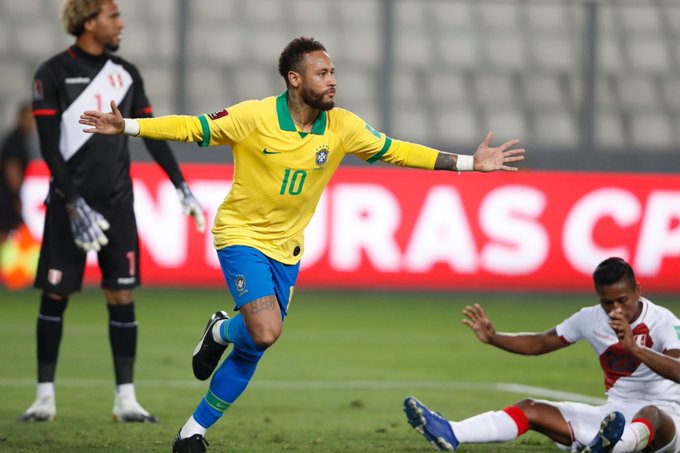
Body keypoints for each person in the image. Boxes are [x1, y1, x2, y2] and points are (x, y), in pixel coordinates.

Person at [79, 36, 525, 452]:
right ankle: (218, 333)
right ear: (295, 80)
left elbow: (399, 151)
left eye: (333, 73)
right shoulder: (254, 117)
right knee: (267, 329)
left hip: (287, 249)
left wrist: (470, 164)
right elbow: (191, 128)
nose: (332, 81)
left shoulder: (342, 127)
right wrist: (130, 127)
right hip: (241, 235)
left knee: (256, 344)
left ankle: (192, 431)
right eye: (322, 73)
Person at [19, 0, 205, 423]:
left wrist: (180, 184)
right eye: (113, 16)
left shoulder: (126, 74)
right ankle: (44, 397)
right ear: (89, 22)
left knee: (121, 295)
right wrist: (74, 202)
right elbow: (50, 148)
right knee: (55, 294)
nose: (121, 24)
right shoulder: (52, 74)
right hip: (68, 207)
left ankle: (126, 400)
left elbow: (152, 133)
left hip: (119, 204)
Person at [404, 257, 680, 453]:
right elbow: (541, 342)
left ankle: (615, 446)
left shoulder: (664, 322)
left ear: (637, 291)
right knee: (530, 408)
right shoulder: (590, 318)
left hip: (668, 419)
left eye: (623, 300)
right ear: (598, 297)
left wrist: (634, 348)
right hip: (612, 417)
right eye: (607, 302)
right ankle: (452, 432)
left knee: (651, 413)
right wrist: (494, 338)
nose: (615, 309)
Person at [0, 102, 34, 247]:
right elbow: (11, 168)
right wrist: (16, 196)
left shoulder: (21, 140)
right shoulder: (15, 141)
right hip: (5, 197)